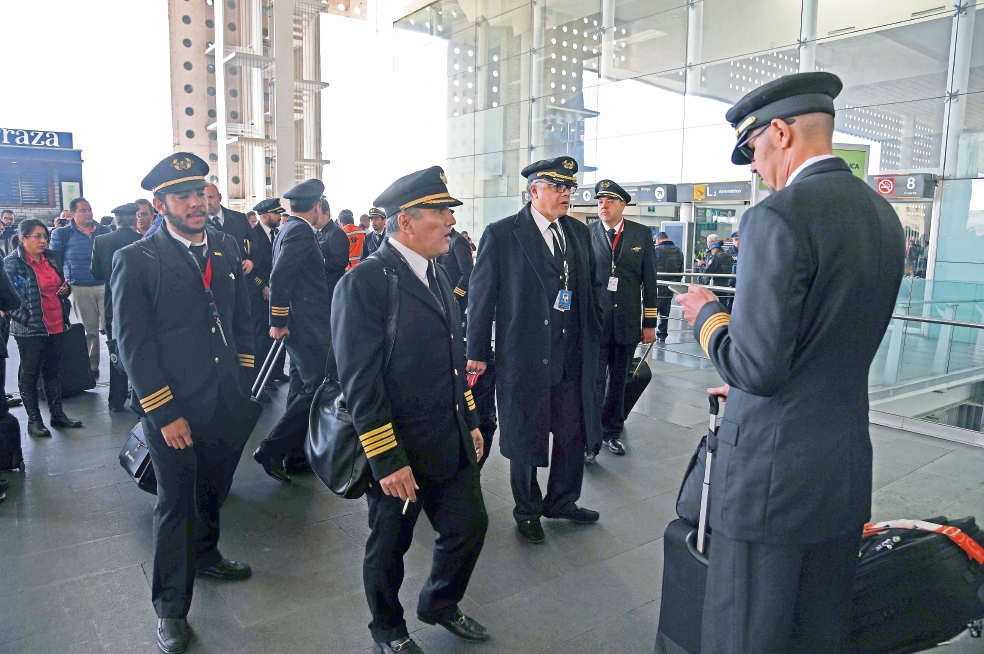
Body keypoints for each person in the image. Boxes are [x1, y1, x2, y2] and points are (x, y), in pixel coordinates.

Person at [673, 72, 905, 654]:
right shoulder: (882, 217)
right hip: (841, 472)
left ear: (779, 132)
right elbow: (827, 342)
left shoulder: (776, 217)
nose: (752, 167)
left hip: (770, 486)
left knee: (746, 632)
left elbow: (756, 367)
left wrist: (707, 316)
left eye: (752, 149)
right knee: (818, 631)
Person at [333, 165, 489, 654]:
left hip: (449, 436)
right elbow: (359, 383)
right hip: (401, 448)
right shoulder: (365, 283)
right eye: (440, 212)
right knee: (389, 546)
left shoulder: (438, 272)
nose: (449, 221)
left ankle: (439, 604)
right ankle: (388, 629)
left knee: (469, 527)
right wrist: (385, 458)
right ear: (406, 221)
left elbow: (453, 359)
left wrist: (471, 420)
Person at [113, 152, 255, 654]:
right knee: (175, 505)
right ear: (160, 204)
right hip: (171, 406)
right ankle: (171, 608)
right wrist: (164, 412)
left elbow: (240, 313)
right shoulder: (137, 259)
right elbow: (133, 345)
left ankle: (209, 553)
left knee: (214, 487)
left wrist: (245, 370)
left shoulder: (224, 243)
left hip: (223, 396)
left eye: (200, 192)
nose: (195, 203)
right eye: (182, 196)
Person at [466, 156, 601, 545]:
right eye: (558, 187)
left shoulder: (577, 232)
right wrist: (477, 349)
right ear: (534, 190)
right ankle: (527, 510)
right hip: (524, 356)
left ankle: (563, 501)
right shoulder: (503, 233)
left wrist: (595, 338)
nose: (566, 194)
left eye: (569, 188)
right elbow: (481, 296)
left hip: (571, 356)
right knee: (527, 435)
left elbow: (587, 292)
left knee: (573, 434)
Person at [252, 179, 332, 484]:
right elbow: (281, 275)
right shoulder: (299, 230)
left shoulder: (287, 227)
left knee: (302, 387)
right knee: (316, 387)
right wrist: (279, 319)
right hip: (305, 324)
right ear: (317, 205)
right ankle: (271, 449)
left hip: (302, 321)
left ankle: (296, 456)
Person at [587, 179, 658, 460]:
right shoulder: (587, 232)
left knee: (618, 381)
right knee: (592, 382)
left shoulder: (641, 234)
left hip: (627, 322)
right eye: (600, 201)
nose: (603, 205)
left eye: (610, 201)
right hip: (596, 322)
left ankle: (611, 432)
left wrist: (649, 323)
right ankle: (590, 437)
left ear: (622, 205)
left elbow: (649, 282)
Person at [5, 219, 83, 438]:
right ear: (22, 238)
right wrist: (27, 319)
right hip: (30, 329)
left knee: (52, 371)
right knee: (30, 374)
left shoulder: (51, 257)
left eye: (45, 236)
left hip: (55, 321)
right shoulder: (13, 263)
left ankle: (57, 414)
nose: (43, 241)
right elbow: (7, 301)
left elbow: (59, 287)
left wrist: (64, 291)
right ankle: (34, 420)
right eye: (37, 236)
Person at [49, 197, 112, 379]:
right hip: (80, 287)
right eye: (83, 210)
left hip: (105, 286)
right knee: (89, 330)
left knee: (111, 328)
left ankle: (118, 363)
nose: (88, 213)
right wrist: (62, 281)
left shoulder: (105, 231)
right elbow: (54, 259)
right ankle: (91, 368)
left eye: (90, 210)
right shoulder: (63, 234)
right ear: (73, 214)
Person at [91, 203, 143, 412]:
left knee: (116, 349)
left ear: (115, 220)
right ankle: (141, 398)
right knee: (140, 350)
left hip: (112, 302)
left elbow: (95, 273)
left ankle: (116, 400)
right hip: (139, 303)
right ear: (135, 220)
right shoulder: (144, 241)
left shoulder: (102, 241)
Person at [203, 184, 259, 281]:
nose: (208, 202)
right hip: (216, 280)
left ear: (219, 197)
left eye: (211, 197)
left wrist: (252, 261)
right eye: (204, 198)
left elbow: (254, 241)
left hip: (242, 276)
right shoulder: (199, 223)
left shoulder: (239, 218)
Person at [315, 197, 349, 305]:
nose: (314, 217)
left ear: (326, 213)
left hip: (332, 286)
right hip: (320, 286)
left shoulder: (336, 233)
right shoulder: (316, 231)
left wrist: (317, 263)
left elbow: (340, 261)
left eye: (318, 214)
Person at [435, 225, 473, 320]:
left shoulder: (457, 240)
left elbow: (468, 272)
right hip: (443, 295)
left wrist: (455, 296)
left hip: (455, 296)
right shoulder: (439, 240)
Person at [653, 231, 683, 343]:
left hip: (657, 285)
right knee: (666, 310)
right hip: (671, 285)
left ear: (658, 240)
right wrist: (676, 282)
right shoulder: (678, 250)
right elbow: (681, 269)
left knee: (652, 310)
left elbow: (650, 266)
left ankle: (647, 332)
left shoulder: (656, 250)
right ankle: (662, 334)